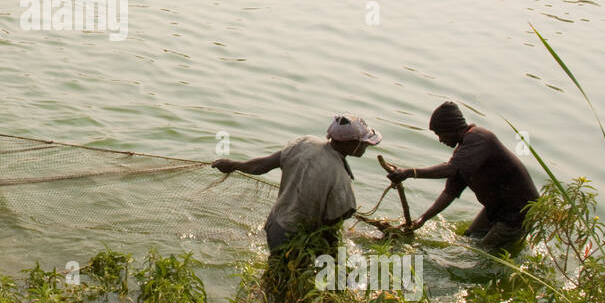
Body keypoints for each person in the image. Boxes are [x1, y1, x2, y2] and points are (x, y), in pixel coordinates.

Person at [212, 114, 382, 264]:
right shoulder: (341, 179)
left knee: (276, 270)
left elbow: (263, 165)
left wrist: (233, 165)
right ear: (350, 144)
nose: (365, 147)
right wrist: (334, 261)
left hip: (275, 225)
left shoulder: (305, 143)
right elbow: (331, 226)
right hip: (297, 239)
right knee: (288, 281)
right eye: (363, 143)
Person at [385, 101, 539, 252]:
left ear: (451, 128)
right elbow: (449, 193)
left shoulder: (478, 138)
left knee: (481, 253)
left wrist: (410, 173)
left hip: (518, 211)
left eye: (440, 134)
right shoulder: (464, 153)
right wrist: (423, 219)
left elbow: (451, 169)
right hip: (498, 207)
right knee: (468, 239)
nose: (440, 140)